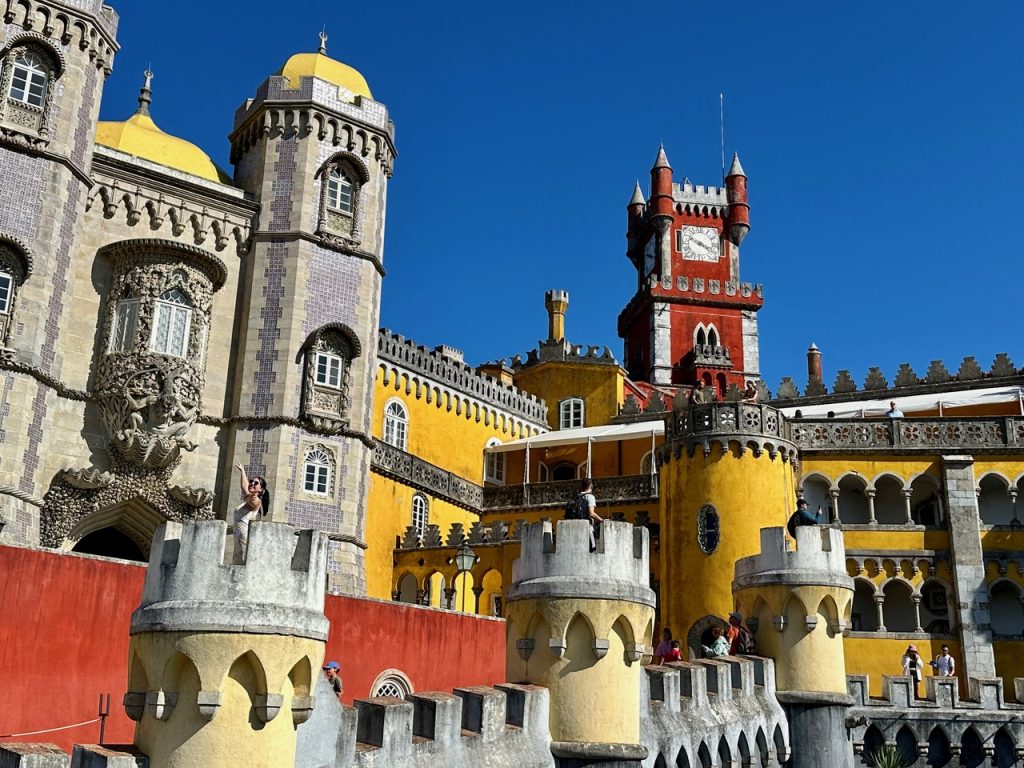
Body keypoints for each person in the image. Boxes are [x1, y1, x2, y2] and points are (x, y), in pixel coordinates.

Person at [233, 464, 269, 563]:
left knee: (241, 562)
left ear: (261, 489)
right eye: (251, 481)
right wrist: (242, 470)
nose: (252, 483)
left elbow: (244, 488)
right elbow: (245, 486)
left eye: (256, 483)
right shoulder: (249, 499)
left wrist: (242, 472)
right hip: (238, 536)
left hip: (243, 538)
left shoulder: (255, 500)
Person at [565, 477, 603, 551]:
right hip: (586, 527)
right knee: (592, 549)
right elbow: (591, 513)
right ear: (591, 486)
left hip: (573, 528)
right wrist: (602, 520)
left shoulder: (575, 497)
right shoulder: (590, 497)